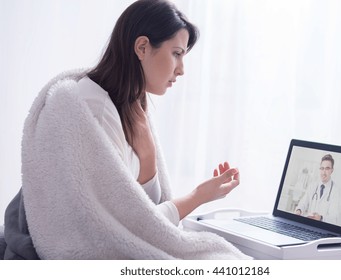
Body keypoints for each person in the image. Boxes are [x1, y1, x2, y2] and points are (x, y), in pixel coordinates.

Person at [5, 0, 248, 260]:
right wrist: (198, 196)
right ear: (142, 47)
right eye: (176, 53)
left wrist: (148, 158)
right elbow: (125, 231)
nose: (181, 69)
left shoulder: (130, 108)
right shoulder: (93, 110)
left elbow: (138, 214)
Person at [295, 154, 341, 224]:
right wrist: (299, 210)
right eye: (322, 168)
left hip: (323, 227)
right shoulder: (312, 186)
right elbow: (303, 203)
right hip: (309, 224)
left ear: (332, 170)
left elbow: (334, 217)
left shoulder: (335, 190)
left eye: (327, 168)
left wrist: (321, 218)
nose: (323, 172)